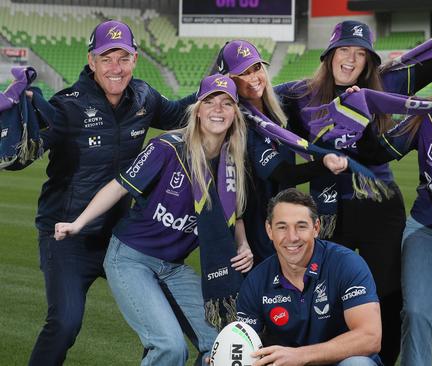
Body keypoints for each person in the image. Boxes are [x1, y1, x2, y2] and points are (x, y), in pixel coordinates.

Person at [274, 6, 432, 364]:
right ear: (329, 55)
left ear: (369, 60)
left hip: (379, 208)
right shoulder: (298, 94)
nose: (351, 60)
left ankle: (381, 361)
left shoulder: (386, 83)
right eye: (344, 51)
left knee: (388, 296)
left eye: (360, 54)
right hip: (327, 213)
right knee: (320, 293)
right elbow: (251, 99)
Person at [4, 19, 196, 365]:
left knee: (166, 317)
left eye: (123, 58)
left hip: (124, 238)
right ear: (91, 61)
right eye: (106, 58)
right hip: (67, 236)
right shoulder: (68, 105)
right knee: (64, 323)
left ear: (135, 59)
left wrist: (222, 86)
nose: (115, 68)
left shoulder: (145, 97)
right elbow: (22, 155)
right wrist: (16, 126)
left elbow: (182, 113)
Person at [53, 73, 253, 365]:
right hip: (131, 259)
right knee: (170, 347)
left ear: (236, 112)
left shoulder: (233, 161)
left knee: (222, 341)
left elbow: (236, 213)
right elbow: (120, 185)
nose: (218, 110)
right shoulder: (169, 147)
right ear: (197, 110)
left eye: (226, 103)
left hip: (173, 267)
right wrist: (78, 222)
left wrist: (244, 244)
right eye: (210, 102)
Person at [215, 40, 346, 264]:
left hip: (283, 217)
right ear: (230, 80)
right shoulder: (241, 123)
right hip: (256, 224)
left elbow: (319, 92)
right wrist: (324, 162)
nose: (254, 77)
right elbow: (283, 173)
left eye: (256, 68)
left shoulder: (280, 106)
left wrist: (349, 95)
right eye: (243, 73)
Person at [236, 188, 382, 366]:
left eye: (301, 226)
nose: (292, 237)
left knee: (358, 364)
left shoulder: (346, 264)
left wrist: (301, 356)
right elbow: (245, 344)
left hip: (339, 363)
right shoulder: (256, 281)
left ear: (316, 228)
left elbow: (370, 337)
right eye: (282, 227)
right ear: (269, 230)